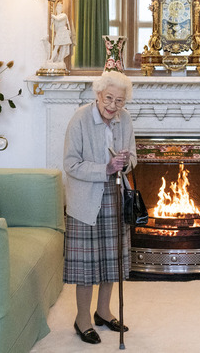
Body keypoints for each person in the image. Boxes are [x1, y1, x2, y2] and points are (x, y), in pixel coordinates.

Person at [63, 71, 136, 345]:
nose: (113, 106)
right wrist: (105, 168)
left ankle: (103, 312)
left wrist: (125, 162)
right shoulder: (80, 119)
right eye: (109, 98)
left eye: (119, 101)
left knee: (111, 260)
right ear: (98, 94)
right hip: (86, 200)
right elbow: (70, 164)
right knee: (87, 265)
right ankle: (82, 319)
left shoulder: (125, 119)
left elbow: (134, 157)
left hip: (116, 196)